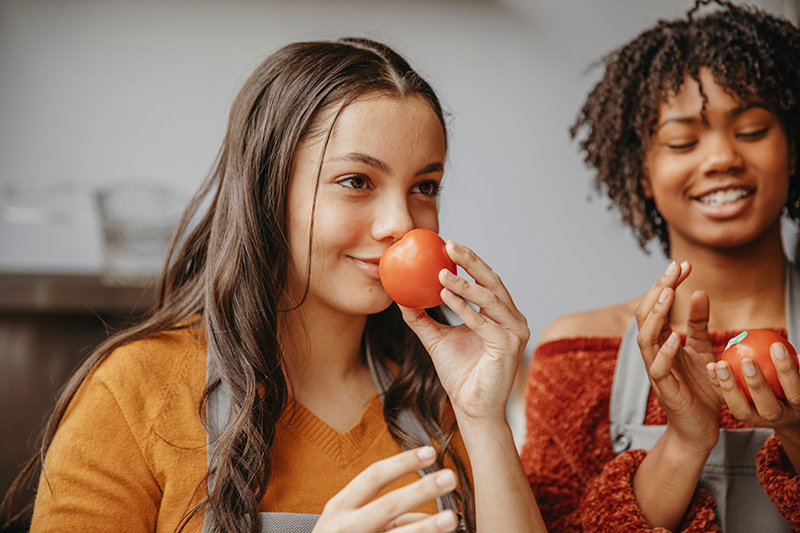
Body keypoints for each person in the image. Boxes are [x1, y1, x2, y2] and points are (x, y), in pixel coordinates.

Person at [1, 37, 546, 533]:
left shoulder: (445, 400)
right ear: (269, 192)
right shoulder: (135, 391)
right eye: (356, 181)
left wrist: (484, 419)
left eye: (424, 186)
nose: (400, 224)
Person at [520, 1, 800, 531]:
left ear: (792, 148)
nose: (720, 158)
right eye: (682, 141)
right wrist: (684, 441)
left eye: (753, 129)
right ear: (643, 172)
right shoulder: (577, 356)